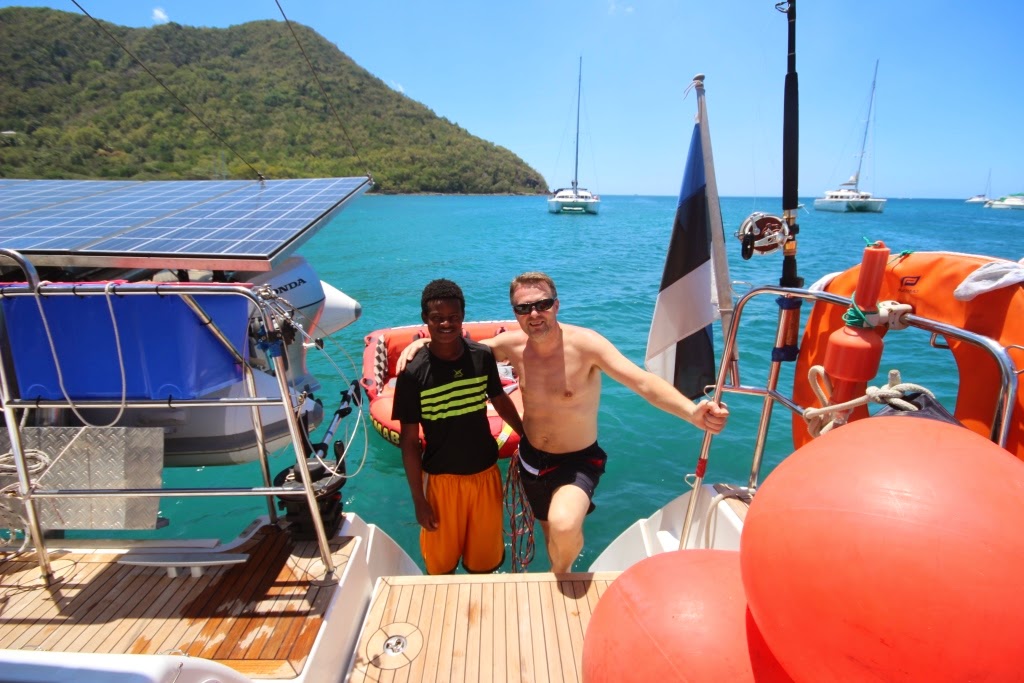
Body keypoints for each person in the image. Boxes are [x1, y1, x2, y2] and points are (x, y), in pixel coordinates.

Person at [400, 272, 729, 573]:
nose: (534, 314)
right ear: (515, 312)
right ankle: (559, 575)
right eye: (524, 308)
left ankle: (562, 574)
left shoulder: (586, 345)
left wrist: (691, 412)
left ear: (556, 305)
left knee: (564, 525)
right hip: (531, 461)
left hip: (576, 461)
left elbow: (642, 382)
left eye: (542, 304)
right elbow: (453, 346)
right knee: (551, 533)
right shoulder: (511, 346)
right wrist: (420, 343)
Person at [393, 278, 524, 575]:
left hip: (485, 476)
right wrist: (419, 501)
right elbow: (409, 442)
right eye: (437, 318)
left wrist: (525, 435)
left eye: (453, 317)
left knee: (484, 564)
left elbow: (500, 400)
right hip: (441, 482)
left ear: (463, 316)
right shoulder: (413, 374)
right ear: (425, 319)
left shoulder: (481, 356)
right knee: (441, 568)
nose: (446, 324)